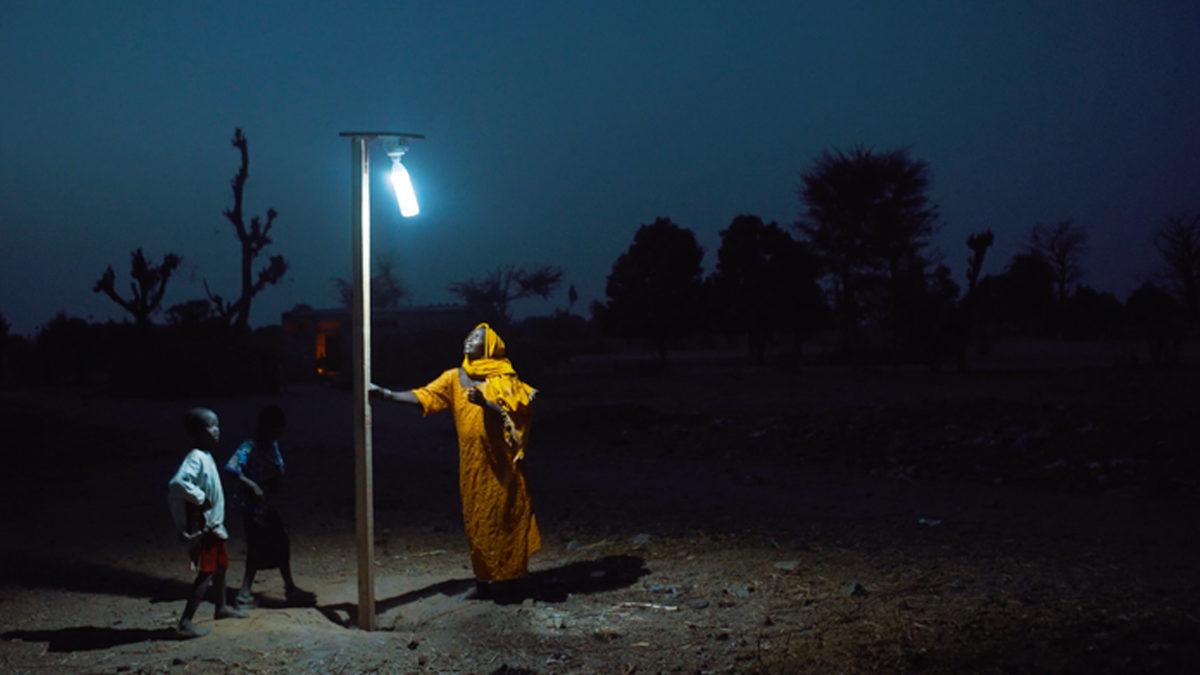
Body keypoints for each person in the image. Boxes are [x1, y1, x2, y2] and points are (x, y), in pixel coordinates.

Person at [373, 323, 541, 599]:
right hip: (473, 463)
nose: (469, 339)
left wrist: (486, 403)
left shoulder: (505, 379)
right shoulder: (454, 377)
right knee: (477, 519)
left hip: (502, 465)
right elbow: (425, 396)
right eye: (469, 335)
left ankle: (511, 581)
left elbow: (518, 415)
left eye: (477, 337)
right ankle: (484, 580)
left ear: (489, 346)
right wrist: (386, 394)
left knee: (505, 518)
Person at [167, 407, 248, 638]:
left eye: (217, 425)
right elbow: (177, 483)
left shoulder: (205, 456)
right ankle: (185, 622)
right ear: (198, 431)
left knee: (221, 567)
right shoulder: (195, 458)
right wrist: (200, 498)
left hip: (214, 525)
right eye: (211, 426)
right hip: (207, 528)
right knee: (207, 572)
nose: (217, 430)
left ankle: (221, 607)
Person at [223, 404, 314, 607]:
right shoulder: (249, 446)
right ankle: (246, 592)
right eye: (276, 428)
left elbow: (278, 468)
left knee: (280, 543)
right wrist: (252, 484)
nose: (279, 432)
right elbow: (230, 469)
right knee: (258, 546)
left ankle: (287, 587)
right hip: (252, 506)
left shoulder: (271, 445)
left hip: (267, 504)